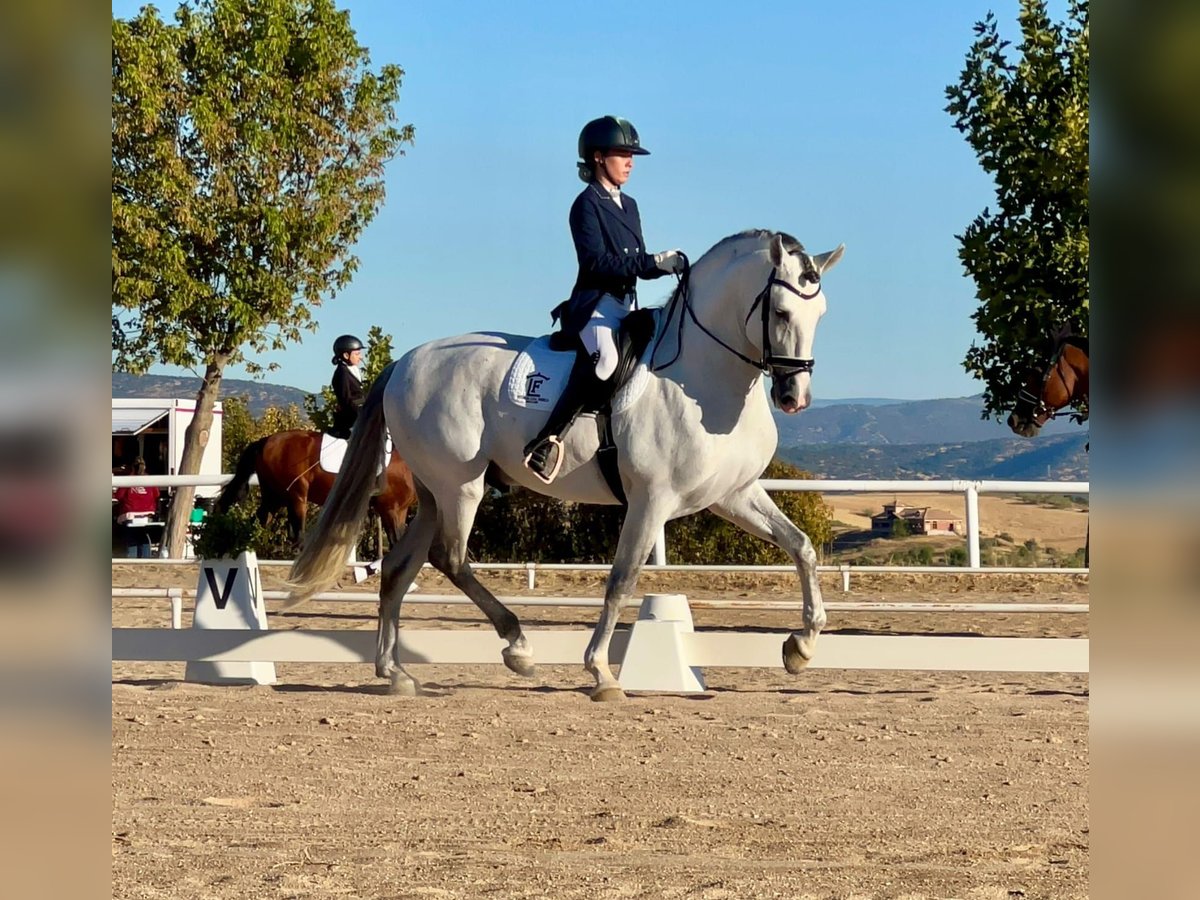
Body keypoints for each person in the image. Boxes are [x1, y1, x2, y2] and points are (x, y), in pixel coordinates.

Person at [523, 116, 684, 483]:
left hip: (626, 304)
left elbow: (636, 265)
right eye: (622, 154)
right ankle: (546, 440)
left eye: (632, 155)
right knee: (606, 362)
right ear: (598, 158)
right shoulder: (585, 205)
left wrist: (663, 266)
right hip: (594, 307)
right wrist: (650, 261)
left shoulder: (630, 205)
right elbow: (596, 262)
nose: (630, 162)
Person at [113, 458, 160, 558]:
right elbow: (157, 494)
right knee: (144, 536)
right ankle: (146, 560)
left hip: (130, 514)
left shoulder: (128, 480)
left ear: (132, 467)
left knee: (132, 537)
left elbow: (118, 496)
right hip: (148, 513)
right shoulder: (150, 479)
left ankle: (132, 560)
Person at [330, 334, 365, 439]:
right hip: (350, 421)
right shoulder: (342, 373)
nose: (361, 357)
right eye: (357, 354)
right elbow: (346, 400)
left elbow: (360, 398)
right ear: (346, 355)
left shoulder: (352, 370)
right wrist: (363, 413)